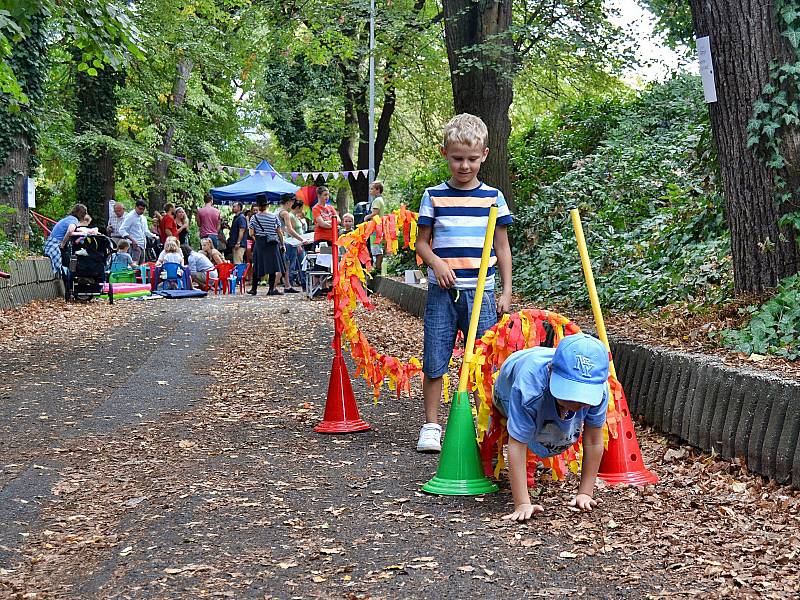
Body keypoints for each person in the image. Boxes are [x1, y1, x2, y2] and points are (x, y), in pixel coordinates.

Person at [415, 113, 513, 453]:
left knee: (483, 359)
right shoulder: (433, 196)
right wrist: (438, 263)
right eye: (457, 158)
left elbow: (502, 247)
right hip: (443, 293)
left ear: (484, 154)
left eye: (472, 159)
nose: (465, 166)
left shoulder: (493, 197)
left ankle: (483, 422)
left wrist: (507, 289)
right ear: (444, 153)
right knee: (435, 356)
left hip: (482, 292)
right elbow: (422, 243)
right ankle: (431, 425)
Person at [494, 334, 610, 521]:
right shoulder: (528, 388)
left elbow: (593, 440)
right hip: (508, 382)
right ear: (550, 371)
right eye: (571, 394)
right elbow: (516, 443)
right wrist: (522, 503)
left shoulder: (600, 390)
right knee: (520, 427)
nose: (578, 401)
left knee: (558, 424)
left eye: (584, 397)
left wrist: (585, 493)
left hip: (551, 373)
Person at [248, 194, 284, 296]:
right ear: (267, 205)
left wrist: (258, 238)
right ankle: (271, 289)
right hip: (272, 243)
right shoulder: (274, 217)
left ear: (258, 206)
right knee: (272, 266)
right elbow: (279, 232)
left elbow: (251, 233)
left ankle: (254, 289)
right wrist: (282, 244)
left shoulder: (254, 218)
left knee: (257, 265)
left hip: (260, 244)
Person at [44, 203, 87, 275]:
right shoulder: (74, 220)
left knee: (70, 261)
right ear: (81, 214)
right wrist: (63, 243)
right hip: (56, 244)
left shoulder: (68, 218)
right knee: (72, 264)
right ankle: (70, 281)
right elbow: (70, 231)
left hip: (50, 242)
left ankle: (67, 280)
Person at [276, 193, 302, 293]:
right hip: (281, 241)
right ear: (288, 202)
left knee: (286, 264)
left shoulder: (278, 211)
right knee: (282, 264)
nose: (293, 204)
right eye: (292, 202)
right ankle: (273, 287)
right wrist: (301, 239)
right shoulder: (285, 213)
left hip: (280, 239)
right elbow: (290, 229)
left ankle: (287, 285)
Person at [118, 200, 158, 265]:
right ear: (135, 207)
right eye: (140, 209)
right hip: (134, 245)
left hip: (143, 245)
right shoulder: (130, 216)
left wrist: (153, 236)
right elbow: (122, 230)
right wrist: (132, 240)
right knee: (134, 265)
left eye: (143, 209)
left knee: (142, 266)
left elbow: (145, 231)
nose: (141, 211)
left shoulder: (143, 218)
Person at [363, 180, 386, 271]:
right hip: (379, 227)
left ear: (378, 190)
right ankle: (377, 267)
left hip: (375, 228)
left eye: (372, 189)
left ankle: (378, 268)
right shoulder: (380, 200)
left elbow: (375, 213)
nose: (370, 191)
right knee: (377, 248)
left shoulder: (377, 201)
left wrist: (367, 217)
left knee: (376, 248)